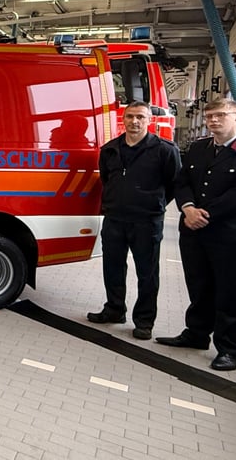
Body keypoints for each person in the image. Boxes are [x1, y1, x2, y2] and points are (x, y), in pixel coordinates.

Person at [156, 99, 236, 371]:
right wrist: (187, 208)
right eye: (209, 116)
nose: (213, 120)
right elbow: (182, 181)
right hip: (195, 234)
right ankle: (196, 334)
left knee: (230, 294)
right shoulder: (199, 148)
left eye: (221, 115)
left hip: (233, 236)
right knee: (199, 287)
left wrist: (202, 215)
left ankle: (229, 349)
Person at [86, 102, 180, 340]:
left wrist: (153, 204)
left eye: (140, 117)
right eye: (129, 116)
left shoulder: (164, 150)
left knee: (147, 273)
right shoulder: (110, 150)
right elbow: (107, 179)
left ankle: (144, 321)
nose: (134, 121)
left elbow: (173, 184)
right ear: (123, 119)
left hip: (146, 221)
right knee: (113, 267)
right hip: (115, 219)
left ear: (149, 121)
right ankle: (114, 309)